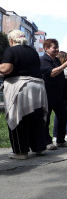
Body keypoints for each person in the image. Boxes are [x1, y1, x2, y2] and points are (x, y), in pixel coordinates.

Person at [0, 30, 48, 159]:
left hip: (21, 87)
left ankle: (20, 151)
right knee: (35, 118)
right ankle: (39, 148)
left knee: (18, 118)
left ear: (11, 40)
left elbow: (6, 69)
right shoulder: (32, 51)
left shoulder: (12, 51)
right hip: (37, 87)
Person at [40, 38, 67, 150]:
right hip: (47, 94)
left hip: (58, 95)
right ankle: (46, 142)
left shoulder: (56, 60)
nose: (57, 49)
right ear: (46, 48)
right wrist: (64, 66)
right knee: (46, 118)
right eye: (54, 47)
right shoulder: (43, 60)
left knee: (63, 116)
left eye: (57, 47)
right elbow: (52, 73)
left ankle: (60, 140)